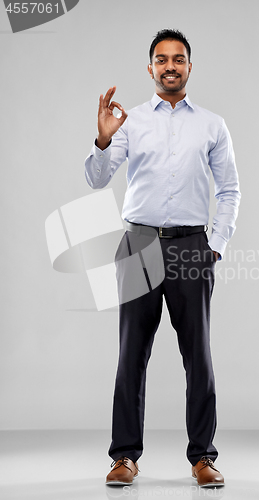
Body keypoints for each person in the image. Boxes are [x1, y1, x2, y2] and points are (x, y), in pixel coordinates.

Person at [85, 29, 241, 488]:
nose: (169, 66)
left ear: (190, 67)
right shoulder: (128, 121)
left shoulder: (212, 125)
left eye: (178, 59)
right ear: (150, 68)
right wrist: (101, 139)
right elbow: (97, 180)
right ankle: (124, 456)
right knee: (132, 352)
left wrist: (217, 244)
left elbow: (230, 190)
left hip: (193, 247)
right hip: (139, 244)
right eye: (161, 59)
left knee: (199, 355)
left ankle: (203, 457)